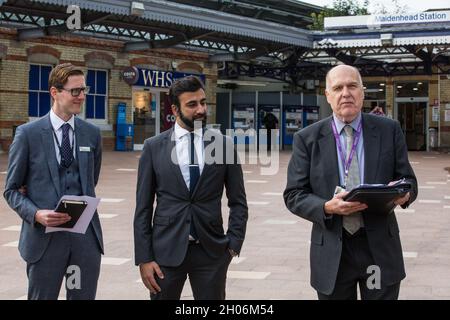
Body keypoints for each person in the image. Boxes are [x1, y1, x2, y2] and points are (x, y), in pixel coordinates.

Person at [283, 65, 417, 300]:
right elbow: (294, 194)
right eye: (338, 87)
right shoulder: (306, 138)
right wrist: (326, 207)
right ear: (328, 95)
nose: (346, 93)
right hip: (333, 250)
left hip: (378, 249)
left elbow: (409, 180)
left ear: (362, 92)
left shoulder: (389, 130)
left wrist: (404, 193)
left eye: (352, 86)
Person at [134, 76, 248, 300]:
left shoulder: (223, 145)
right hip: (165, 252)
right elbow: (143, 208)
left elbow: (238, 201)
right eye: (192, 104)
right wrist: (144, 258)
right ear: (175, 109)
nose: (201, 110)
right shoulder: (153, 147)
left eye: (203, 102)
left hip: (211, 252)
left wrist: (233, 245)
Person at [3, 63, 104, 299]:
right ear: (54, 92)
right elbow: (11, 190)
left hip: (84, 240)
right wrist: (36, 214)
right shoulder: (28, 134)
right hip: (44, 241)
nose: (82, 96)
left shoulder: (92, 133)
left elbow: (92, 179)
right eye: (75, 91)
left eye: (84, 90)